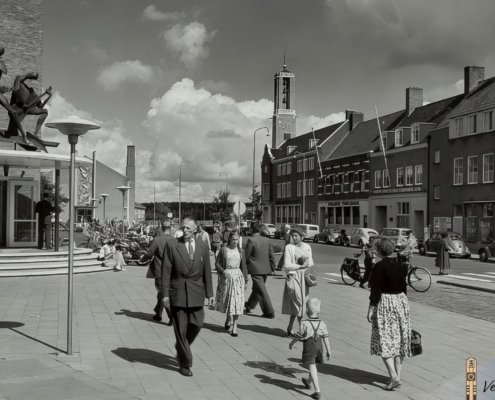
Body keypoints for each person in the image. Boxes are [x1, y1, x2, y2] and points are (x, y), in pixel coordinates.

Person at [161, 218, 214, 377]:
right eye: (183, 228)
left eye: (188, 229)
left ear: (196, 229)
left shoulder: (202, 246)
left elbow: (207, 271)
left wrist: (210, 294)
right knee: (181, 329)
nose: (185, 231)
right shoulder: (172, 245)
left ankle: (181, 348)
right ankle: (185, 363)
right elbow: (165, 273)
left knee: (197, 324)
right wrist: (165, 295)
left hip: (196, 292)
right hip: (178, 292)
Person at [367, 237, 411, 391]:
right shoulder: (400, 264)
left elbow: (376, 290)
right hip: (400, 302)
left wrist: (371, 308)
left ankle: (393, 376)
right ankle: (397, 376)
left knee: (384, 338)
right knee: (399, 340)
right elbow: (404, 286)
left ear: (379, 251)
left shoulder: (379, 266)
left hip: (385, 303)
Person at [289, 298, 331, 400]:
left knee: (312, 367)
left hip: (310, 348)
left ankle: (317, 391)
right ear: (319, 311)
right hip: (319, 348)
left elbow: (298, 336)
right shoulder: (322, 323)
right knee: (314, 366)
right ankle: (308, 382)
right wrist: (329, 350)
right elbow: (326, 337)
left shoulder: (304, 323)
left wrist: (291, 343)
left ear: (307, 311)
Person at [281, 227, 314, 336]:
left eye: (296, 236)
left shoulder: (307, 247)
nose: (294, 238)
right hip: (294, 277)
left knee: (301, 304)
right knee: (299, 302)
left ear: (302, 236)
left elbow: (310, 263)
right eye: (292, 236)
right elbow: (287, 265)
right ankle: (302, 330)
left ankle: (290, 327)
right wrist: (300, 266)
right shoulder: (289, 247)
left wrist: (307, 266)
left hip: (303, 278)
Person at [215, 231, 248, 337]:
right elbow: (217, 264)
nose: (235, 241)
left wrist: (246, 280)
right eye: (233, 239)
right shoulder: (224, 250)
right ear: (229, 239)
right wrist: (223, 271)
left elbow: (244, 266)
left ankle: (235, 326)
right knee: (228, 300)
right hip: (227, 278)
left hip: (238, 277)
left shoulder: (241, 251)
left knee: (237, 302)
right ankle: (228, 318)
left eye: (236, 239)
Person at [141, 221, 173, 325]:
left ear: (162, 228)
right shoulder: (175, 241)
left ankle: (172, 316)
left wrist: (143, 258)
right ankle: (158, 313)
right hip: (172, 272)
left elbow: (150, 253)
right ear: (170, 228)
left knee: (163, 294)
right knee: (162, 294)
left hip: (159, 271)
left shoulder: (157, 240)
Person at [244, 225, 277, 318]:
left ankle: (269, 312)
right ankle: (249, 305)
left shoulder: (251, 240)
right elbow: (272, 256)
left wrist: (242, 266)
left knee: (261, 290)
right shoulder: (267, 240)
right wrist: (273, 268)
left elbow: (246, 256)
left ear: (251, 231)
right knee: (258, 288)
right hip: (266, 269)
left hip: (255, 269)